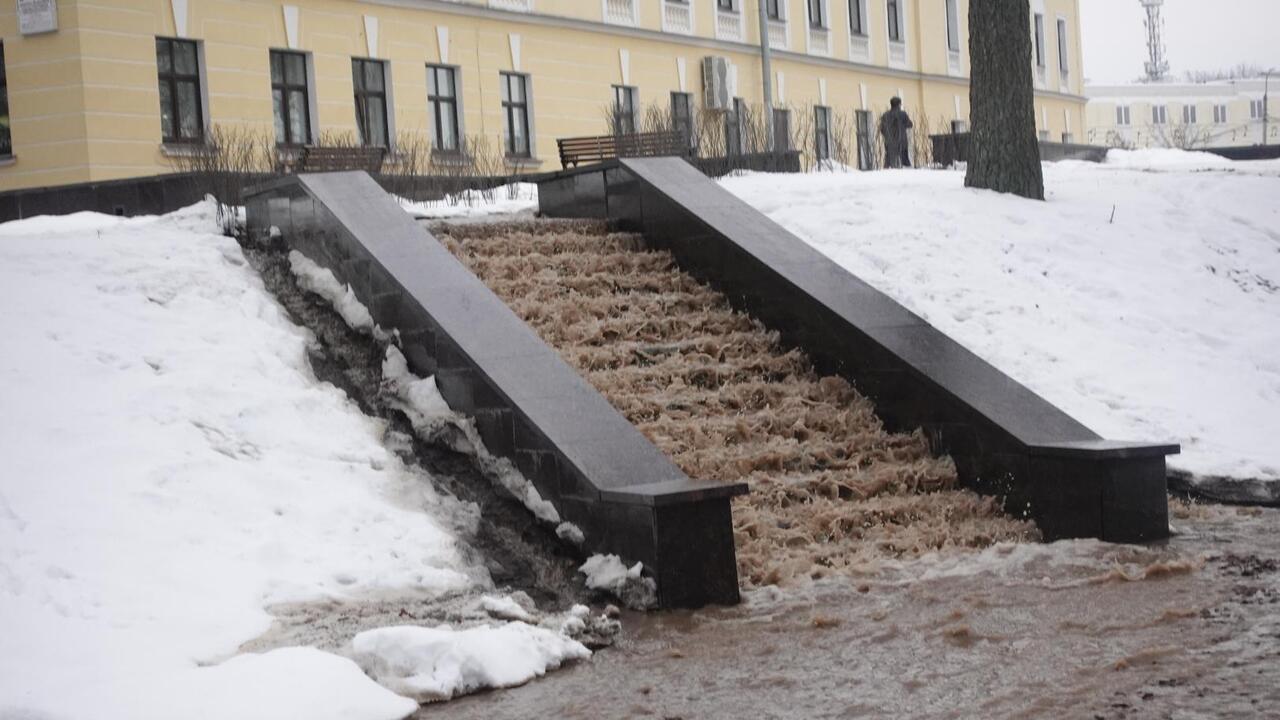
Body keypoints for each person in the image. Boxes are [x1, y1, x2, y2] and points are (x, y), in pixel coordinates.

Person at [878, 97, 914, 169]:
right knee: (904, 159)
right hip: (902, 141)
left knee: (889, 159)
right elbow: (910, 124)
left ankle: (887, 170)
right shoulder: (902, 114)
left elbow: (882, 129)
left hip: (889, 141)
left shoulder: (885, 115)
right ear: (899, 104)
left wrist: (887, 136)